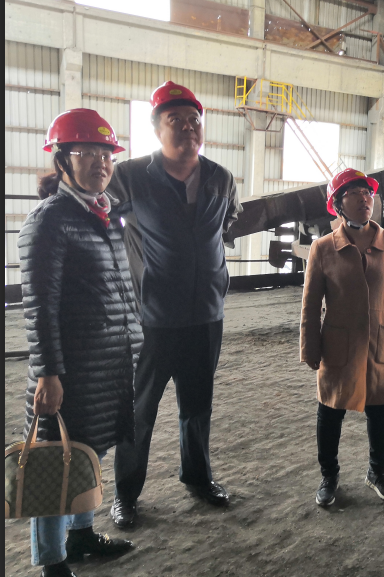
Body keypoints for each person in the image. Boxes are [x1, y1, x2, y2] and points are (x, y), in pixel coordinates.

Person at [109, 81, 243, 527]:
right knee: (139, 410)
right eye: (176, 120)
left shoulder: (221, 178)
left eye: (194, 120)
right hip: (151, 319)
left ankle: (199, 478)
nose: (188, 127)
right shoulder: (129, 176)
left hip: (206, 316)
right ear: (156, 128)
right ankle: (126, 493)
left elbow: (227, 225)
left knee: (198, 406)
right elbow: (100, 217)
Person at [18, 108, 143, 577]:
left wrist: (133, 340)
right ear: (62, 160)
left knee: (89, 454)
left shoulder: (105, 215)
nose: (100, 163)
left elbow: (120, 288)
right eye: (87, 152)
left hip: (107, 368)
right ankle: (53, 563)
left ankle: (82, 534)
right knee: (55, 463)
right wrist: (48, 373)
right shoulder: (49, 221)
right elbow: (40, 306)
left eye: (106, 154)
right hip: (68, 372)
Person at [300, 168, 384, 506]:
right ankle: (329, 476)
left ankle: (378, 472)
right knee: (330, 412)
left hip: (382, 345)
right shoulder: (323, 249)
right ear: (338, 204)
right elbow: (310, 305)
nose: (365, 199)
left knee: (380, 412)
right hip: (338, 347)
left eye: (368, 193)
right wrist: (309, 348)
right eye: (355, 193)